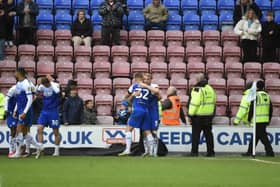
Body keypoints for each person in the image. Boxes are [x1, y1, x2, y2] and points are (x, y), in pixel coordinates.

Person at [119, 73, 159, 156]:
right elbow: (158, 94)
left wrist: (132, 96)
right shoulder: (150, 89)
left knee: (128, 129)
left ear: (136, 79)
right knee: (147, 131)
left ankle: (127, 150)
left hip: (137, 110)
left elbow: (126, 99)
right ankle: (151, 152)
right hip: (147, 111)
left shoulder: (134, 87)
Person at [233, 80, 274, 157]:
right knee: (258, 137)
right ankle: (252, 151)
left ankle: (269, 152)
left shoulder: (255, 96)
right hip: (264, 120)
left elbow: (252, 108)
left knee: (262, 137)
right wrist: (269, 119)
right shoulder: (267, 95)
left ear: (256, 87)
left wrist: (249, 119)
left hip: (257, 120)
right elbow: (271, 109)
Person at [10, 68, 39, 158]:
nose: (14, 73)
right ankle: (39, 147)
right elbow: (19, 99)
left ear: (19, 73)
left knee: (19, 130)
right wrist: (15, 110)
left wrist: (25, 112)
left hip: (25, 110)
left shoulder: (27, 83)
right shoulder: (19, 83)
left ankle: (18, 152)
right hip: (21, 109)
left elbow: (31, 97)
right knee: (25, 132)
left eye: (15, 72)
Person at [188, 74, 216, 157]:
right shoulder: (210, 88)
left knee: (195, 135)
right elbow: (214, 101)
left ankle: (194, 152)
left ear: (197, 80)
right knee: (208, 135)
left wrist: (190, 114)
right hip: (208, 116)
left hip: (198, 116)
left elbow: (195, 103)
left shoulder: (197, 89)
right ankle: (211, 152)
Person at [36, 75, 61, 158]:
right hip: (44, 111)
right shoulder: (42, 87)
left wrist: (52, 81)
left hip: (53, 112)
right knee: (39, 128)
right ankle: (40, 147)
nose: (45, 86)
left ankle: (56, 150)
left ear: (48, 82)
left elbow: (57, 92)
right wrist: (38, 85)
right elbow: (36, 91)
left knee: (56, 132)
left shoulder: (55, 86)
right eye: (44, 85)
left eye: (46, 84)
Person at [4, 85, 18, 157]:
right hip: (10, 112)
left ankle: (16, 149)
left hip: (18, 112)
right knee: (13, 129)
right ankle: (11, 150)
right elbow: (6, 99)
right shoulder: (13, 89)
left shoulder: (23, 89)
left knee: (18, 130)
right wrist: (6, 110)